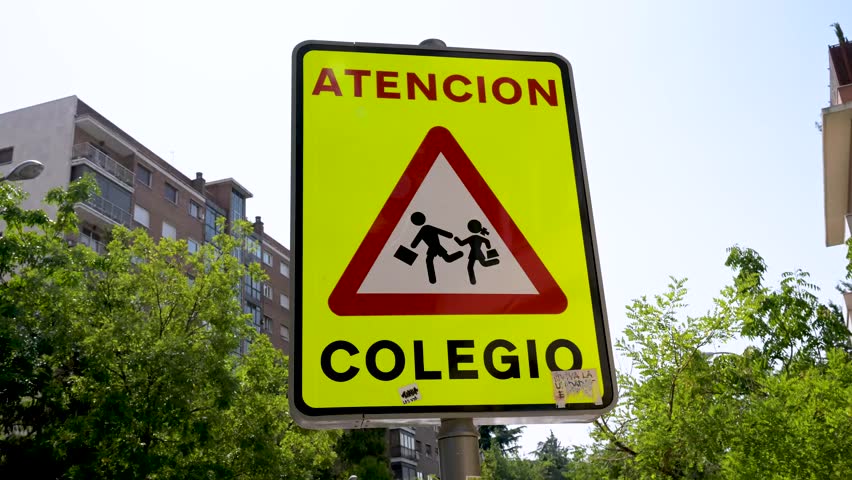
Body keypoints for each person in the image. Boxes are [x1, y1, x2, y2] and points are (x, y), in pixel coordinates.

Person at [409, 211, 463, 284]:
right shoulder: (427, 228)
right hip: (435, 247)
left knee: (432, 260)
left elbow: (414, 244)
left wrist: (413, 245)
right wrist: (449, 235)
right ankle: (460, 253)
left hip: (434, 247)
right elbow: (445, 233)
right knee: (444, 259)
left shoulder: (424, 229)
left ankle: (460, 253)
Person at [454, 219, 500, 285]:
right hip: (478, 253)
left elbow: (461, 243)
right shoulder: (479, 237)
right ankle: (496, 261)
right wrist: (488, 246)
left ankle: (473, 281)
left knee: (470, 267)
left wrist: (456, 238)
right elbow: (487, 241)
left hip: (473, 253)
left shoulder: (472, 237)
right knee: (483, 264)